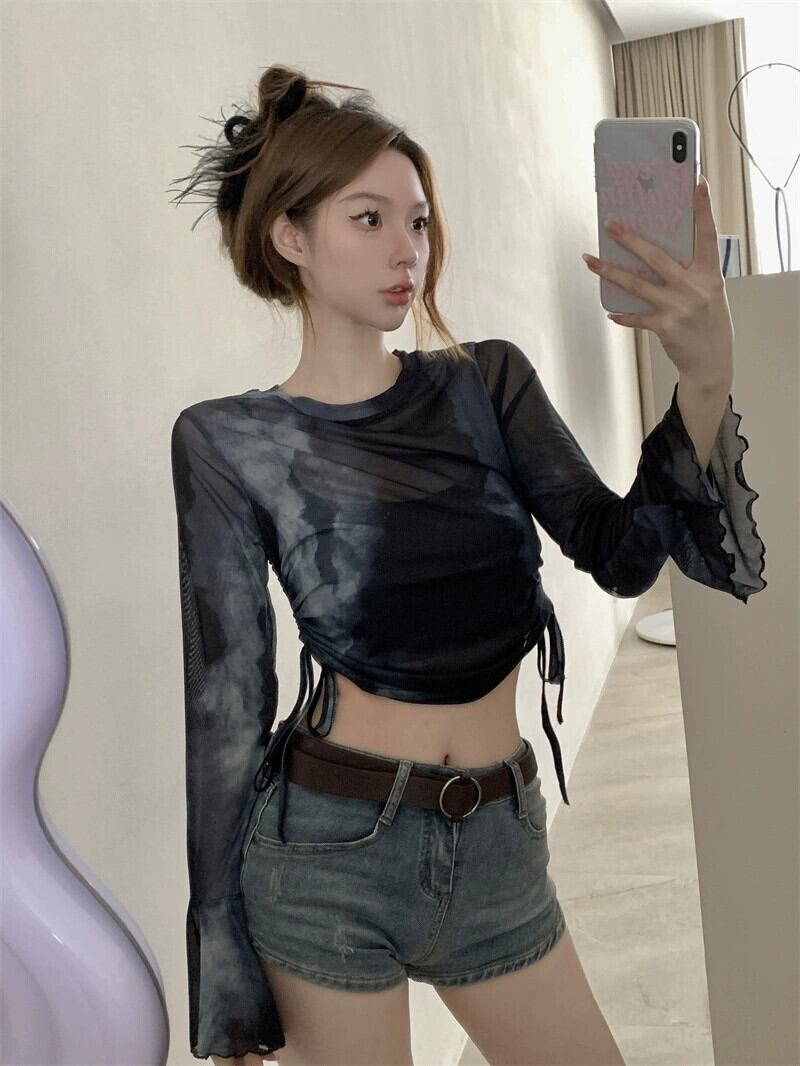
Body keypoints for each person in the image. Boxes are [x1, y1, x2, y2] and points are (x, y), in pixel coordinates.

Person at [167, 65, 766, 1066]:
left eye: (417, 221)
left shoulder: (485, 382)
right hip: (324, 854)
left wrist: (702, 377)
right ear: (290, 237)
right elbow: (224, 707)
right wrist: (222, 966)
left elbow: (619, 556)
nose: (408, 249)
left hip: (495, 843)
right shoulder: (230, 442)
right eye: (368, 220)